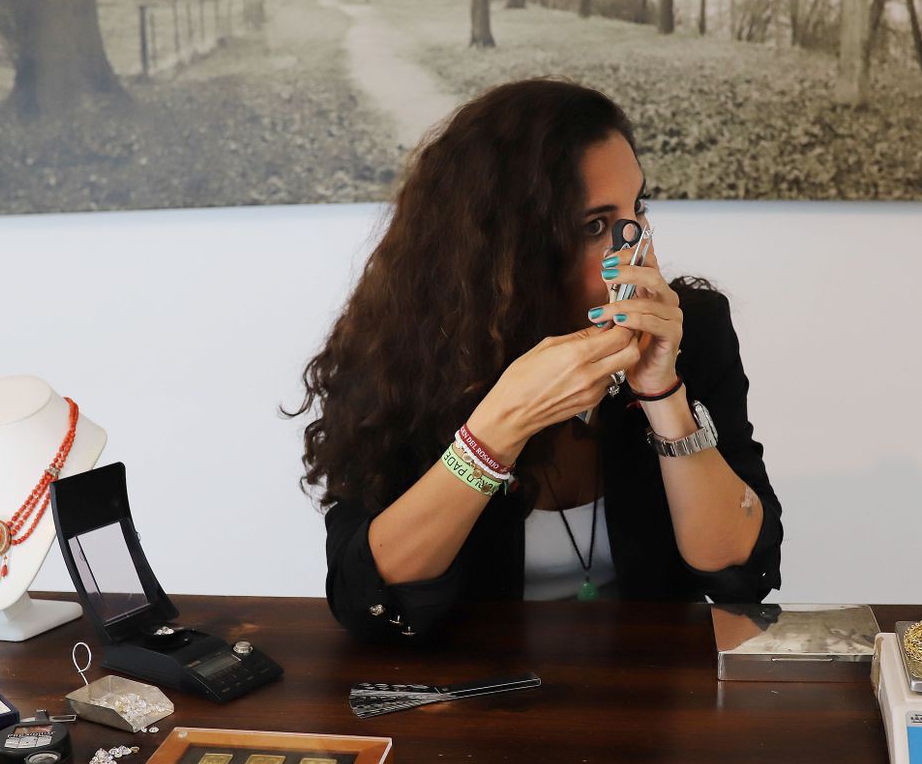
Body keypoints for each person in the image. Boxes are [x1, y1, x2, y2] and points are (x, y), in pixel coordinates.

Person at [290, 78, 782, 640]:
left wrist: (662, 395)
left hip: (655, 690)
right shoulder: (400, 352)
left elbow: (741, 574)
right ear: (503, 250)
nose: (635, 247)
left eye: (637, 209)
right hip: (473, 695)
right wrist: (502, 424)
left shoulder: (692, 329)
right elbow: (367, 601)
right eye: (595, 226)